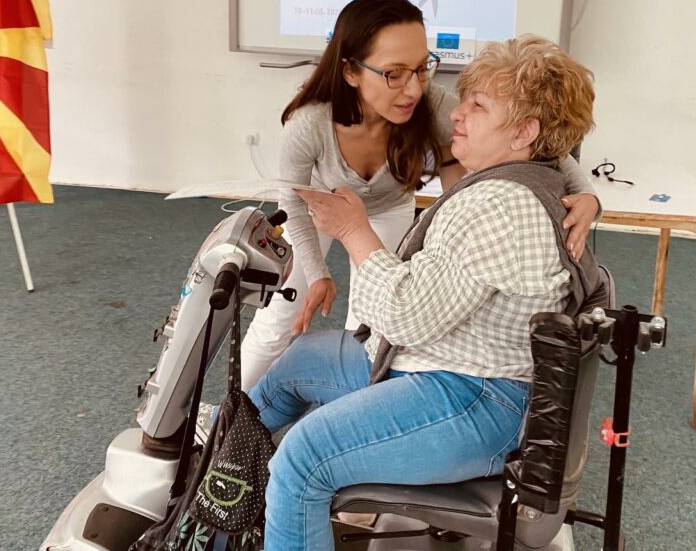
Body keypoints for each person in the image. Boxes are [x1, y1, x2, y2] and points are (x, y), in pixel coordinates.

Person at [246, 35, 597, 551]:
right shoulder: (521, 181)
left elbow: (408, 317)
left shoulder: (501, 204)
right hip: (447, 364)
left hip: (475, 396)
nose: (458, 114)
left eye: (478, 106)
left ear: (524, 132)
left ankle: (281, 508)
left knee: (302, 460)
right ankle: (223, 498)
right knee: (295, 366)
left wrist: (354, 231)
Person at [239, 0, 600, 389]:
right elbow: (292, 200)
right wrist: (317, 272)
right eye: (394, 73)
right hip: (320, 211)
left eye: (422, 68)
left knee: (370, 325)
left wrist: (588, 196)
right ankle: (228, 417)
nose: (413, 89)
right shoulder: (309, 124)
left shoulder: (430, 104)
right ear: (351, 72)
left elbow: (542, 142)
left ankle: (352, 415)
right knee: (278, 317)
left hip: (388, 210)